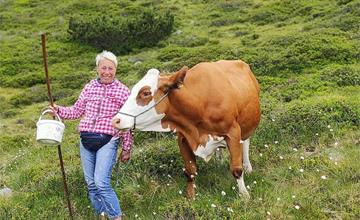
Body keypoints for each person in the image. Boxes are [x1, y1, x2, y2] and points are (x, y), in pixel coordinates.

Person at [51, 50, 133, 220]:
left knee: (102, 183)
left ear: (116, 70)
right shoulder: (89, 88)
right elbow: (76, 111)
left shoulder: (123, 91)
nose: (107, 72)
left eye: (111, 68)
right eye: (103, 68)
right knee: (91, 185)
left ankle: (116, 216)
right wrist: (58, 110)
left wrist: (126, 148)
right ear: (97, 68)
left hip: (108, 140)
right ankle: (101, 215)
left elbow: (127, 123)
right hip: (86, 139)